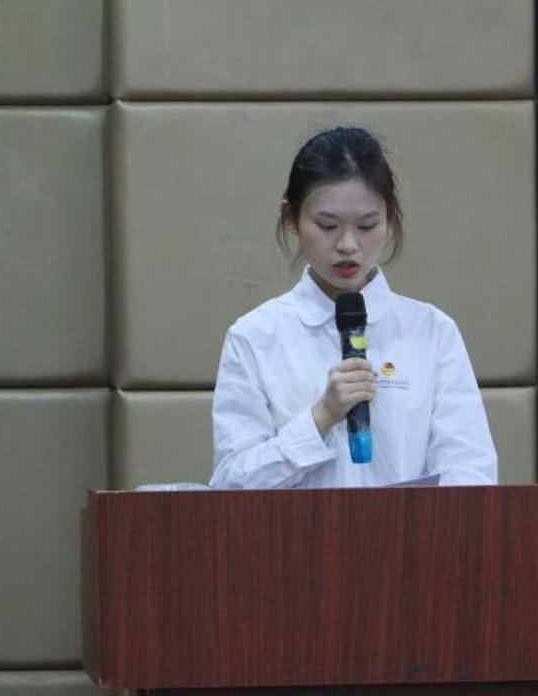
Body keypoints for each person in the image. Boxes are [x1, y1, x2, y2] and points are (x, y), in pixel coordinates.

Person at [210, 127, 498, 488]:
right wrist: (321, 417)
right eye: (327, 225)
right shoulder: (254, 337)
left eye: (366, 225)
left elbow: (470, 472)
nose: (347, 245)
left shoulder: (431, 331)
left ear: (390, 220)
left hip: (411, 527)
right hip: (295, 528)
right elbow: (229, 485)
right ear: (291, 218)